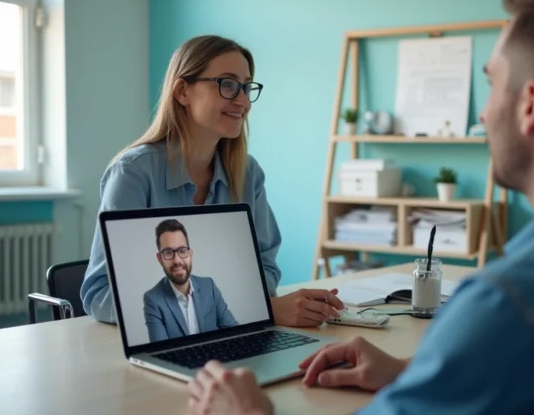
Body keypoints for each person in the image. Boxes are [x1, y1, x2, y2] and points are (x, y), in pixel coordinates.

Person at [185, 0, 534, 414]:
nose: (484, 114)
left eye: (492, 85)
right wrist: (421, 374)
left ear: (531, 105)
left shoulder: (509, 306)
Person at [80, 35, 345, 329]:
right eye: (228, 84)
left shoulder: (248, 173)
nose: (243, 101)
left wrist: (239, 307)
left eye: (246, 87)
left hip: (229, 337)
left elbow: (265, 267)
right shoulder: (133, 173)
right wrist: (257, 310)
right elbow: (100, 295)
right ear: (183, 91)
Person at [143, 219, 238, 342]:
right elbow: (161, 352)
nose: (177, 260)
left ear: (190, 253)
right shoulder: (153, 299)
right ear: (160, 259)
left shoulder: (209, 286)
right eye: (168, 253)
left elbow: (234, 332)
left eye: (182, 251)